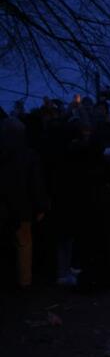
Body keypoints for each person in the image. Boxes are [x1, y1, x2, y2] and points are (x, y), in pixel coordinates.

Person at [0, 117, 50, 288]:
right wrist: (41, 205)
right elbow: (36, 183)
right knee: (24, 244)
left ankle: (9, 278)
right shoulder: (29, 154)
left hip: (5, 206)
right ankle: (24, 280)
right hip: (22, 207)